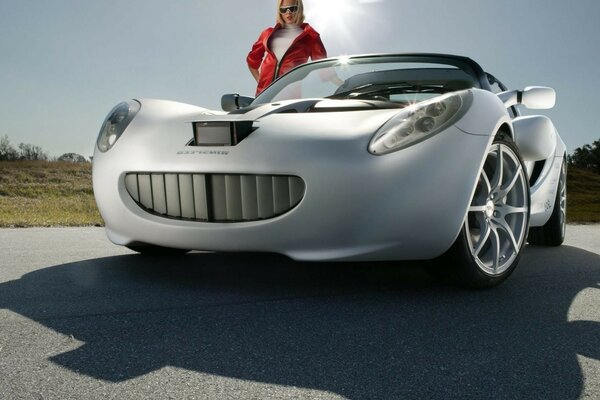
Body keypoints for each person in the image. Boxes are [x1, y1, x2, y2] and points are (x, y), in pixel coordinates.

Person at [246, 0, 328, 95]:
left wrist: (343, 85)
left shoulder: (310, 37)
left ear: (299, 8)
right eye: (283, 10)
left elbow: (325, 70)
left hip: (289, 99)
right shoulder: (267, 34)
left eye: (292, 8)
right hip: (264, 97)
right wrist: (261, 84)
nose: (288, 12)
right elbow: (252, 61)